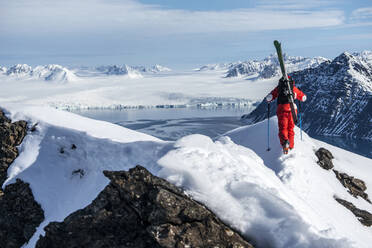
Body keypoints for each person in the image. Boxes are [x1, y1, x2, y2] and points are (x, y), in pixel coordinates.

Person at [265, 76, 306, 154]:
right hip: (293, 109)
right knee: (290, 128)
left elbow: (269, 97)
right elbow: (303, 97)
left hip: (282, 109)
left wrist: (269, 98)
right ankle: (291, 146)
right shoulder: (293, 88)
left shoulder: (279, 88)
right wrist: (298, 96)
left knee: (283, 128)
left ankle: (285, 143)